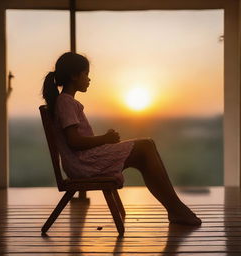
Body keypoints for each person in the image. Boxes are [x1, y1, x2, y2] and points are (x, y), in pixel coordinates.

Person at [42, 52, 202, 226]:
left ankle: (175, 208)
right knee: (146, 146)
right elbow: (74, 141)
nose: (89, 79)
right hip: (82, 164)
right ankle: (175, 208)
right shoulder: (65, 102)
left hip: (83, 161)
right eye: (86, 74)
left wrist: (105, 140)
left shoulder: (66, 101)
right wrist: (105, 139)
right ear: (74, 76)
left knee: (146, 149)